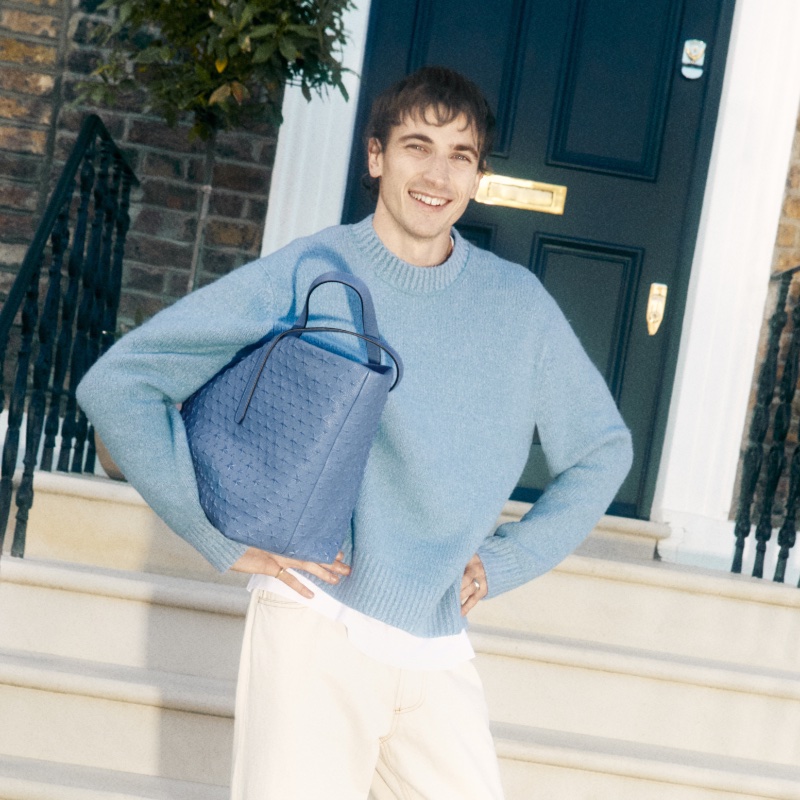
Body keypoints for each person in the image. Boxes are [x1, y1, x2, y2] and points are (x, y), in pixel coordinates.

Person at [77, 66, 632, 799]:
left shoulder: (518, 307)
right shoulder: (316, 269)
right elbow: (119, 383)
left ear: (477, 178)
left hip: (436, 642)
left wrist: (506, 561)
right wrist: (215, 534)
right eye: (416, 146)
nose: (436, 174)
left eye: (459, 156)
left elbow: (602, 451)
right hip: (317, 622)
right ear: (376, 157)